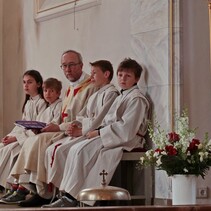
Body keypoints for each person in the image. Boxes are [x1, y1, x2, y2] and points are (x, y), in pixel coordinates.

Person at [42, 58, 151, 208]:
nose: (122, 79)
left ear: (137, 78)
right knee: (75, 150)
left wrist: (99, 133)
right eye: (120, 75)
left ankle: (73, 196)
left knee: (81, 151)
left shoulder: (136, 98)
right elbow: (107, 120)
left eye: (128, 76)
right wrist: (97, 131)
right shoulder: (123, 95)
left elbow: (127, 128)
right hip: (111, 134)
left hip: (127, 138)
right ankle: (70, 194)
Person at [9, 50, 97, 206]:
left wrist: (57, 127)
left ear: (81, 65)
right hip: (63, 128)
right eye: (64, 66)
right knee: (34, 140)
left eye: (71, 65)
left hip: (74, 131)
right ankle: (37, 189)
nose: (68, 69)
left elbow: (83, 117)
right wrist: (48, 126)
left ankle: (45, 193)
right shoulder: (71, 87)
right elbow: (63, 115)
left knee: (39, 142)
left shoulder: (90, 87)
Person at [0, 70, 47, 201]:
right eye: (24, 82)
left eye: (30, 82)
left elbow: (38, 127)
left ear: (38, 84)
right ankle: (9, 187)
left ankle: (19, 188)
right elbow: (21, 125)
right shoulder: (28, 103)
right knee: (2, 146)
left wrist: (16, 138)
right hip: (23, 137)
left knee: (12, 150)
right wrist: (10, 136)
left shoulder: (42, 103)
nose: (26, 85)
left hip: (31, 138)